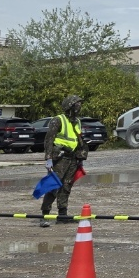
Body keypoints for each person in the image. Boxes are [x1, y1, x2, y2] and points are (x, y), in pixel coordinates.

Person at [39, 94, 87, 227]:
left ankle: (62, 215)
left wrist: (80, 158)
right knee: (53, 186)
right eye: (77, 104)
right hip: (59, 158)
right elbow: (49, 140)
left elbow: (78, 140)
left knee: (66, 186)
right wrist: (48, 159)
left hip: (72, 158)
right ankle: (44, 215)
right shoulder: (58, 120)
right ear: (70, 106)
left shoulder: (77, 121)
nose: (79, 106)